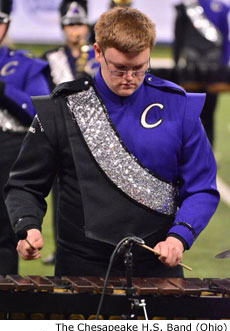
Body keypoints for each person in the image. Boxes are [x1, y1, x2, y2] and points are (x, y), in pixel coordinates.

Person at [5, 6, 219, 278]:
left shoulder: (178, 107)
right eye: (119, 68)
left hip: (156, 270)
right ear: (98, 52)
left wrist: (180, 236)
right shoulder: (62, 108)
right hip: (80, 270)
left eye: (139, 68)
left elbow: (202, 187)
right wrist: (28, 227)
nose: (129, 79)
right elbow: (24, 185)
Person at [41, 0, 99, 265]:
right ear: (63, 28)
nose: (76, 30)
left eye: (80, 24)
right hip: (62, 135)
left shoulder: (99, 57)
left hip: (97, 135)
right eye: (71, 25)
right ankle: (61, 247)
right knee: (60, 193)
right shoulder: (50, 58)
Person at [0, 0, 50, 275]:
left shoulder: (24, 64)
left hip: (7, 153)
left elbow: (37, 109)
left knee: (4, 238)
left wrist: (3, 89)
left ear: (6, 24)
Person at [173, 0, 230, 146]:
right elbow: (179, 38)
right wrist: (177, 64)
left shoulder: (221, 8)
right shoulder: (186, 7)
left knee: (209, 114)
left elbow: (225, 37)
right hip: (191, 69)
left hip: (213, 69)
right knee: (191, 115)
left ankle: (209, 152)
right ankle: (190, 154)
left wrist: (223, 65)